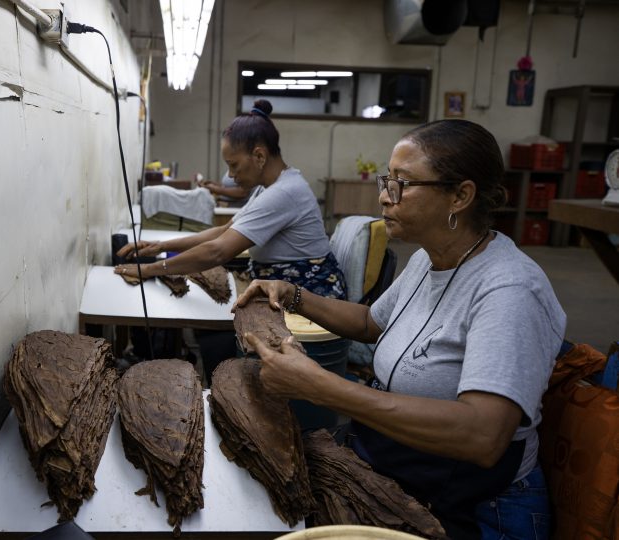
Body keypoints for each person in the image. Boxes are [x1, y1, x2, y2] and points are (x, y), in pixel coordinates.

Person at [236, 119, 566, 539]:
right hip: (405, 467)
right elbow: (371, 322)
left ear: (460, 196)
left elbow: (483, 436)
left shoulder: (510, 289)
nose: (384, 197)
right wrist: (294, 293)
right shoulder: (429, 259)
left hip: (480, 508)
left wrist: (321, 387)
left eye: (403, 184)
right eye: (386, 180)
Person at [114, 98, 346, 301]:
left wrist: (152, 269)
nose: (231, 176)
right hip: (283, 285)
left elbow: (218, 251)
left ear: (259, 156)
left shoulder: (284, 193)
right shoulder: (270, 187)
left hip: (312, 298)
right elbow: (225, 231)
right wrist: (161, 246)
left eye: (233, 165)